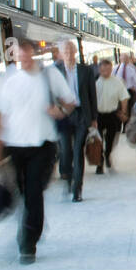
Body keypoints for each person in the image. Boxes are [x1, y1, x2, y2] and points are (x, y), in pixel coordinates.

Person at [0, 38, 76, 263]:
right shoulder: (8, 80)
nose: (23, 59)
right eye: (18, 55)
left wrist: (61, 112)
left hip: (42, 145)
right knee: (23, 194)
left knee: (34, 193)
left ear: (33, 54)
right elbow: (1, 116)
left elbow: (71, 101)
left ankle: (27, 243)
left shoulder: (49, 76)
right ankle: (32, 225)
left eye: (26, 54)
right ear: (14, 56)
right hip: (15, 146)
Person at [56, 40, 98, 203]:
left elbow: (91, 95)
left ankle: (77, 189)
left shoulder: (85, 70)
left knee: (77, 150)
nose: (68, 54)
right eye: (64, 51)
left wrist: (94, 118)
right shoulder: (56, 71)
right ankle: (67, 179)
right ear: (61, 54)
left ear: (75, 52)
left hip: (81, 115)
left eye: (70, 50)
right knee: (65, 151)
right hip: (63, 115)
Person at [93, 57, 130, 173]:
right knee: (98, 140)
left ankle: (107, 154)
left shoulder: (117, 82)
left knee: (110, 139)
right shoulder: (94, 81)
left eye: (108, 69)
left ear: (111, 69)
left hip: (112, 114)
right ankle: (99, 162)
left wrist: (124, 112)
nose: (106, 72)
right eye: (103, 69)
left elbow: (124, 98)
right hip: (97, 115)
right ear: (99, 69)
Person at [114, 53, 136, 130]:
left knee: (128, 109)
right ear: (120, 59)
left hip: (129, 91)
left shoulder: (131, 70)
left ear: (127, 59)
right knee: (118, 109)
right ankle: (118, 127)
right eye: (122, 58)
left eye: (125, 58)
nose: (124, 60)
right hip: (118, 92)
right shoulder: (115, 69)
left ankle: (126, 127)